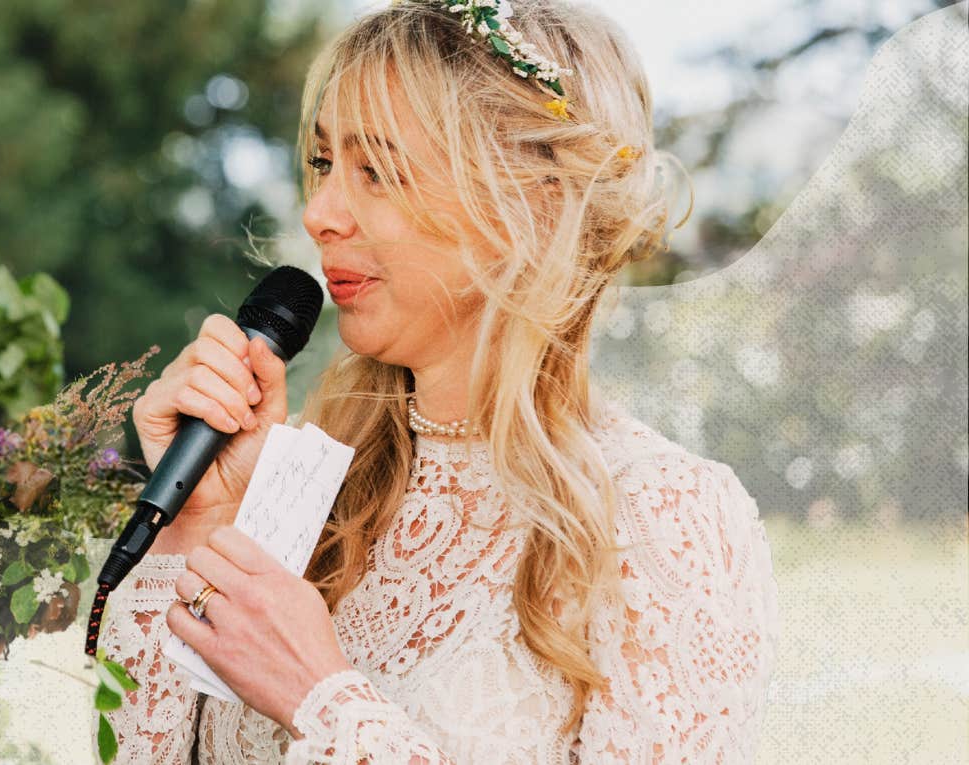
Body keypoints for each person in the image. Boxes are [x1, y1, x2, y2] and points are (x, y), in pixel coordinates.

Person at [100, 1, 780, 762]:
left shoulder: (664, 520)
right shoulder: (309, 486)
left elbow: (316, 704)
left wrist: (321, 700)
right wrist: (195, 530)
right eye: (324, 163)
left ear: (530, 200)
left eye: (378, 171)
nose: (320, 212)